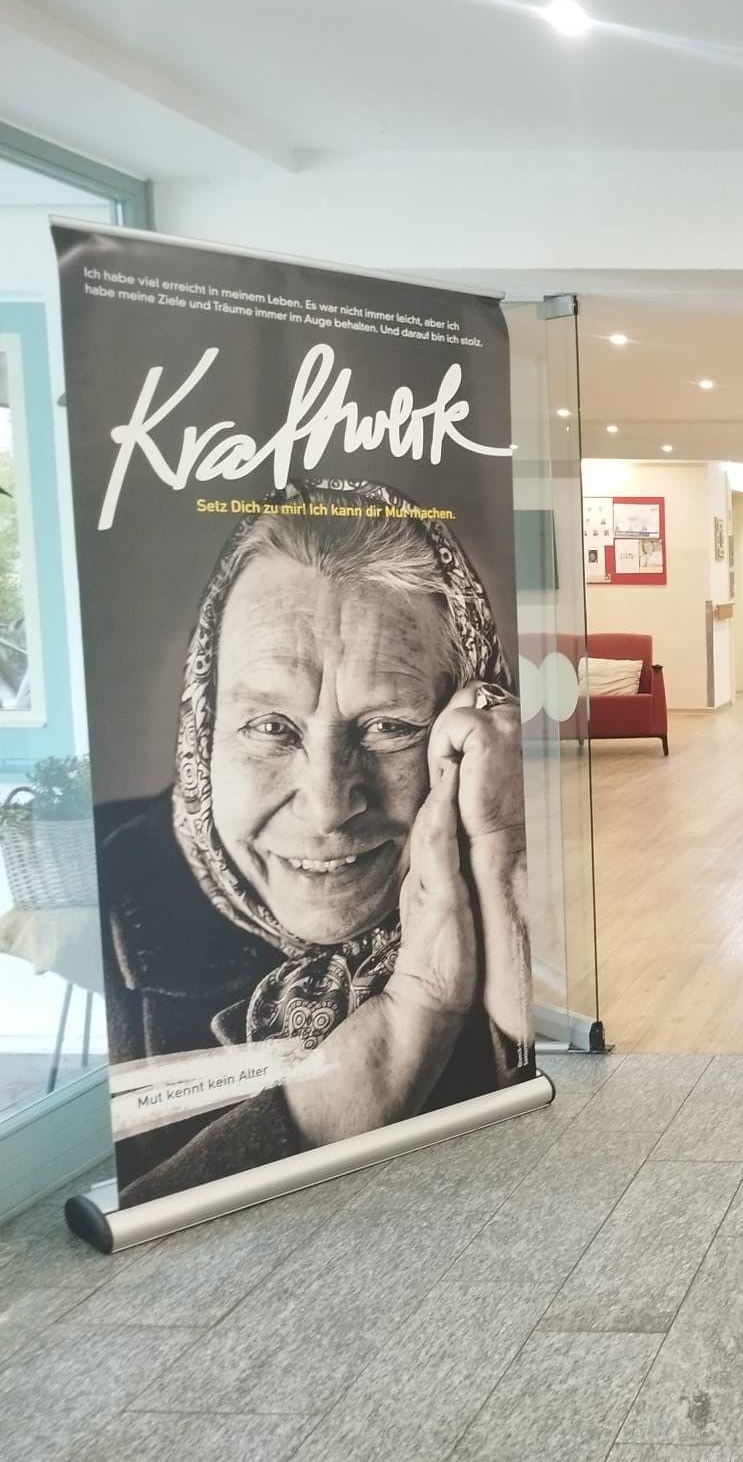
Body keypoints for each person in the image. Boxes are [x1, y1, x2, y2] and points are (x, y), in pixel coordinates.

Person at [97, 478, 533, 1203]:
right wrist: (408, 1023)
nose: (329, 807)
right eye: (271, 728)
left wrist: (506, 861)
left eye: (390, 727)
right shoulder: (96, 893)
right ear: (203, 730)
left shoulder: (520, 848)